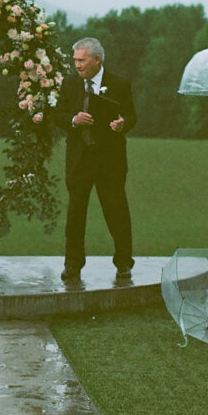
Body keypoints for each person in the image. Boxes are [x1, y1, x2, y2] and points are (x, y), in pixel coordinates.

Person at [54, 36, 136, 281]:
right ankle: (72, 265)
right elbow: (57, 114)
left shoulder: (120, 84)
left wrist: (123, 124)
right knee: (75, 214)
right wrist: (73, 120)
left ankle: (124, 263)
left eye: (81, 60)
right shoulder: (69, 84)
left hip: (110, 160)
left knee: (116, 211)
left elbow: (131, 116)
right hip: (79, 160)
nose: (76, 65)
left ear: (97, 60)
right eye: (75, 60)